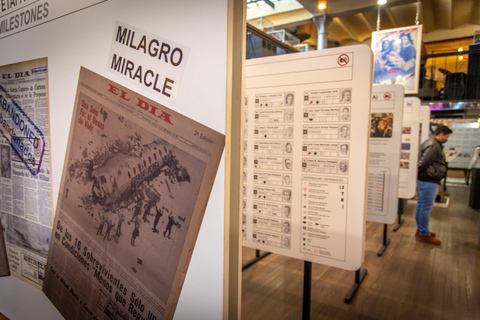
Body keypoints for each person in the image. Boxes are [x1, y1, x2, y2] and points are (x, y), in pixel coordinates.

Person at [415, 125, 452, 245]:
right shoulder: (434, 145)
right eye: (447, 136)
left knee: (421, 206)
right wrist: (421, 174)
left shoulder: (429, 142)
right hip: (428, 180)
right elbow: (423, 162)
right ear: (441, 134)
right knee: (425, 207)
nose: (447, 139)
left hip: (425, 180)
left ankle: (421, 230)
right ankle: (424, 233)